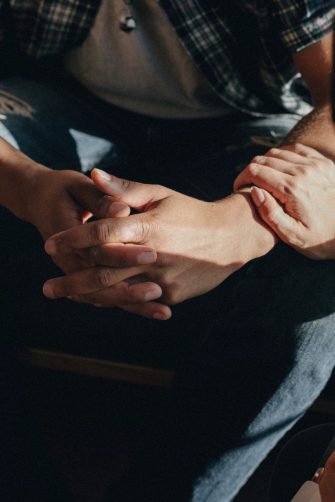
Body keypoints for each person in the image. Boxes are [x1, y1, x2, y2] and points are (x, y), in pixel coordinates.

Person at [0, 1, 335, 500]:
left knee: (310, 297)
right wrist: (24, 185)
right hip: (53, 99)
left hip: (253, 121)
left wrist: (243, 223)